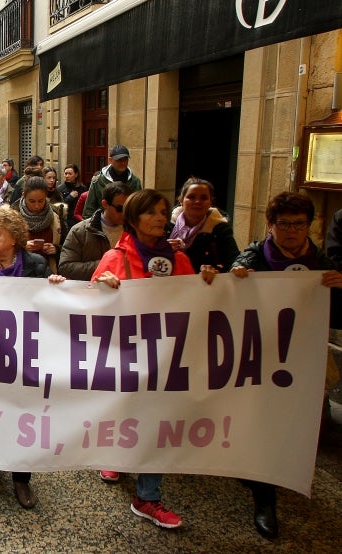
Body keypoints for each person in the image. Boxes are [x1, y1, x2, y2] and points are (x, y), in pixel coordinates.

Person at [91, 189, 207, 530]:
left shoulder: (180, 261)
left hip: (167, 358)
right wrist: (102, 287)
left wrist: (216, 284)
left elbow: (197, 304)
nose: (162, 218)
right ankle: (119, 457)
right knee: (127, 411)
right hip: (128, 357)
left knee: (155, 422)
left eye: (163, 212)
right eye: (153, 213)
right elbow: (89, 308)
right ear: (134, 218)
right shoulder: (116, 257)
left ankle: (148, 496)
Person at [229, 191, 342, 539]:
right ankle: (266, 499)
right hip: (260, 357)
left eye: (300, 225)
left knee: (303, 423)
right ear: (270, 225)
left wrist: (339, 290)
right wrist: (232, 279)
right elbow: (223, 301)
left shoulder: (321, 264)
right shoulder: (253, 259)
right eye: (284, 225)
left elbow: (333, 317)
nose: (292, 231)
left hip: (302, 361)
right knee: (264, 424)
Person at [0, 207, 65, 508]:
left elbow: (52, 304)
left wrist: (58, 286)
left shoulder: (35, 266)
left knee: (24, 415)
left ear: (14, 239)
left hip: (26, 357)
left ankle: (22, 480)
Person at [59, 182, 131, 281]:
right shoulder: (80, 231)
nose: (124, 214)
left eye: (128, 209)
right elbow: (65, 267)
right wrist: (106, 263)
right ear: (105, 204)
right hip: (92, 291)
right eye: (120, 209)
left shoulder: (134, 231)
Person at [167, 177, 240, 274]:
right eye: (191, 197)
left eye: (204, 198)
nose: (197, 202)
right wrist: (163, 248)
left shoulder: (220, 230)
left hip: (205, 285)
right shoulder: (166, 226)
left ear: (210, 203)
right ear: (181, 200)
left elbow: (234, 260)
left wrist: (218, 270)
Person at [16, 176, 66, 274]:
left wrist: (56, 249)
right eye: (32, 201)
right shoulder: (12, 216)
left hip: (49, 272)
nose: (37, 205)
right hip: (20, 272)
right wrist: (22, 248)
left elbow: (67, 246)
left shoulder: (56, 216)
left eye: (41, 201)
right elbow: (1, 247)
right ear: (23, 196)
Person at [83, 145, 142, 219]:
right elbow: (89, 207)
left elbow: (138, 207)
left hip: (126, 223)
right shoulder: (98, 180)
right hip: (103, 223)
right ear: (110, 160)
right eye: (119, 160)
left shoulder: (135, 182)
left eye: (125, 159)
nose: (123, 163)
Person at [58, 164, 86, 229]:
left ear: (76, 175)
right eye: (66, 173)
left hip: (79, 220)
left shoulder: (82, 188)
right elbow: (59, 206)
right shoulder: (60, 189)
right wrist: (70, 197)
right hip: (66, 221)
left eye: (70, 174)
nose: (67, 176)